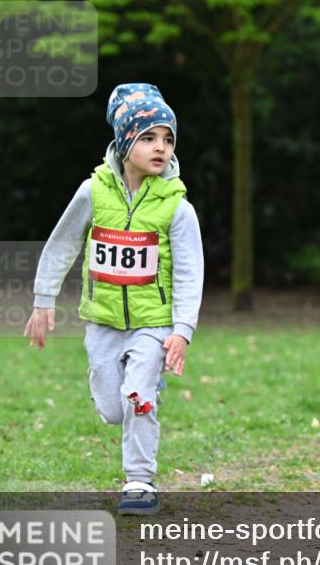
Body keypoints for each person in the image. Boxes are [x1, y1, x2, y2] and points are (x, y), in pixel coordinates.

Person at [24, 83, 204, 516]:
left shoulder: (177, 208)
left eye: (168, 139)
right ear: (124, 142)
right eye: (148, 137)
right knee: (112, 408)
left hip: (153, 322)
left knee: (137, 396)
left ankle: (139, 480)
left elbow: (190, 272)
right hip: (102, 321)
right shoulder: (93, 191)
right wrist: (43, 298)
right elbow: (63, 243)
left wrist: (182, 331)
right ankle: (134, 390)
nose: (161, 147)